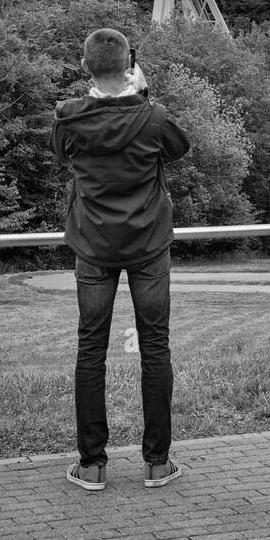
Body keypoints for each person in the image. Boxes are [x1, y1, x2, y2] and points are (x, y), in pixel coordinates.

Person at [50, 28, 190, 493]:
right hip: (148, 244)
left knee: (91, 349)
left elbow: (59, 155)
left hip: (92, 246)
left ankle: (92, 466)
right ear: (130, 64)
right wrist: (144, 96)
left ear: (85, 66)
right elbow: (179, 148)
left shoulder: (68, 118)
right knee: (155, 347)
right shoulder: (153, 116)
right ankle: (156, 464)